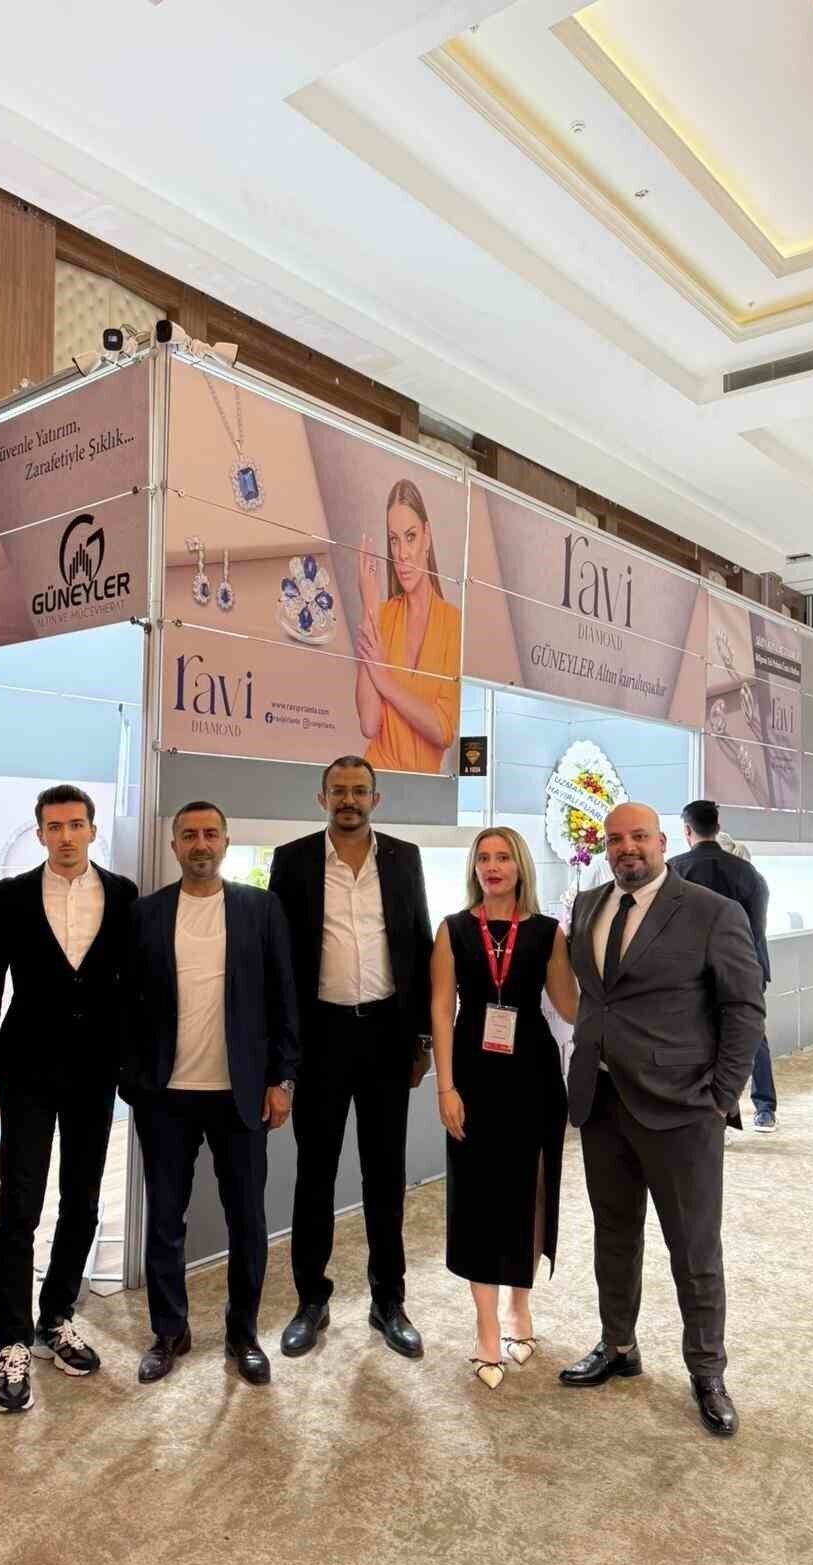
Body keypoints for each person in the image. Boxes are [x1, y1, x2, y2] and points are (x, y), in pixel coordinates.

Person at [561, 802, 765, 1437]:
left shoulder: (711, 912)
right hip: (602, 1103)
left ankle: (707, 1371)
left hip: (682, 1109)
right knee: (614, 1235)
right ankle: (619, 1345)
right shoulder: (588, 906)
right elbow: (596, 997)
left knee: (694, 1247)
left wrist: (721, 1095)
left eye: (639, 837)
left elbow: (744, 1008)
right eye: (615, 839)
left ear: (663, 841)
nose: (627, 848)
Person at [121, 801, 299, 1386]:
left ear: (226, 841)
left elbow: (284, 999)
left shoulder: (260, 908)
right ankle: (169, 1331)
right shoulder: (145, 914)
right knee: (163, 1220)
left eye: (211, 834)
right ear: (174, 845)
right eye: (189, 835)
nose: (201, 844)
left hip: (239, 1095)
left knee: (247, 1218)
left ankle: (242, 1333)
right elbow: (125, 1002)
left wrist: (282, 1079)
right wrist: (132, 1078)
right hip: (165, 1096)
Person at [269, 755, 434, 1360]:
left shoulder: (404, 857)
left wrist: (422, 1039)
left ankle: (388, 1301)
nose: (348, 800)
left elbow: (417, 943)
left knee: (384, 1174)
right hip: (320, 1039)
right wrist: (282, 1055)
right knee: (314, 1176)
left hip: (387, 1035)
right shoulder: (292, 860)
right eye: (338, 791)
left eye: (359, 791)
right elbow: (278, 960)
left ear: (375, 799)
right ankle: (310, 1300)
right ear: (321, 798)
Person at [0, 784, 138, 1414]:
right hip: (27, 1069)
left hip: (95, 1072)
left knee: (83, 1199)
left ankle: (56, 1316)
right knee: (18, 1204)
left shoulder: (122, 895)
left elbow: (133, 988)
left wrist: (132, 1062)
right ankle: (11, 1341)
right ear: (40, 833)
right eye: (55, 826)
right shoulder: (11, 896)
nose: (66, 836)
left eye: (76, 824)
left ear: (92, 830)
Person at [431, 828, 578, 1389]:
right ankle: (486, 1323)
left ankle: (520, 1304)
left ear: (520, 867)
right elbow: (441, 1010)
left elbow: (570, 1005)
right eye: (484, 858)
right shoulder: (452, 930)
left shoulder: (546, 932)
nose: (493, 867)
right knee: (477, 1199)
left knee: (527, 1193)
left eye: (504, 858)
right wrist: (446, 1088)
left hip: (533, 1078)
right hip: (472, 1077)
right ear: (474, 868)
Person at [669, 801, 776, 1131]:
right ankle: (765, 1109)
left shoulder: (674, 870)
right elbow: (757, 927)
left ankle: (710, 1113)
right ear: (717, 827)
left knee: (696, 1040)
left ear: (687, 830)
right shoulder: (748, 872)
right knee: (751, 1035)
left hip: (691, 973)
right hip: (745, 968)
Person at [356, 479, 461, 775]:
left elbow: (443, 730)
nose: (402, 553)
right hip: (377, 780)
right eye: (394, 540)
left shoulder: (455, 624)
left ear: (427, 537)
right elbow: (369, 724)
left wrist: (384, 681)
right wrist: (369, 604)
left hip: (423, 790)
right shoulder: (382, 615)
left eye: (411, 537)